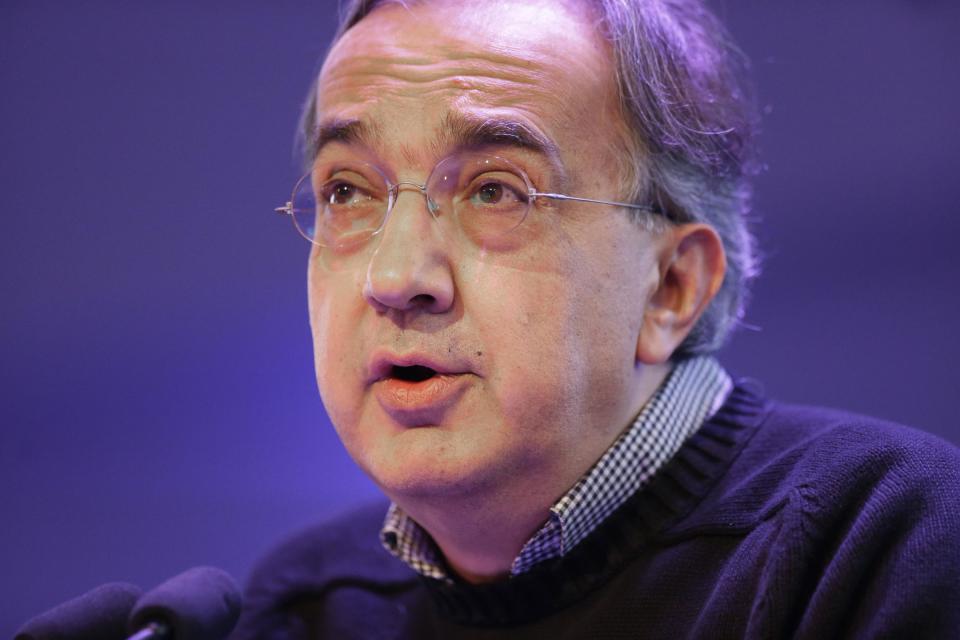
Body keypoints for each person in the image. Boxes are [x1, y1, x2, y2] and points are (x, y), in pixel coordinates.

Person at [231, 0, 960, 637]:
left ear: (670, 287)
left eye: (495, 192)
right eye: (348, 191)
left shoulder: (877, 542)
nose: (395, 280)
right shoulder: (302, 609)